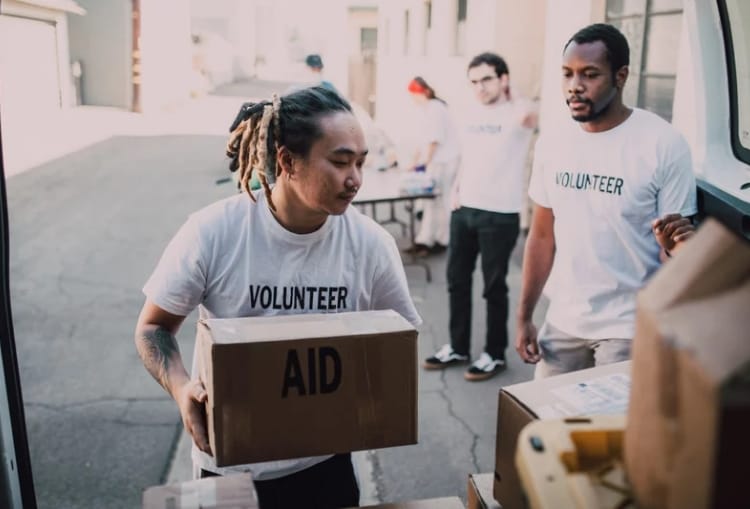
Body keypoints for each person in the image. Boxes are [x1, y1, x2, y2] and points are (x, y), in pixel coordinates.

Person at [134, 86, 421, 509]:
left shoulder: (371, 245)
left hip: (325, 463)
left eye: (360, 162)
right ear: (287, 160)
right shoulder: (214, 232)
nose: (355, 179)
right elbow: (153, 327)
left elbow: (400, 338)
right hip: (227, 465)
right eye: (340, 162)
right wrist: (182, 390)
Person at [515, 23, 697, 378]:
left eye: (590, 74)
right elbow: (541, 237)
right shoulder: (553, 142)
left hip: (629, 329)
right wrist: (524, 316)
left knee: (611, 433)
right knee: (550, 427)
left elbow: (674, 251)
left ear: (621, 76)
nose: (574, 86)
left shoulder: (663, 145)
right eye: (567, 74)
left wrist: (674, 248)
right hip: (563, 322)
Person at [423, 53, 537, 381]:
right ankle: (458, 347)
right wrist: (456, 191)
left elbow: (531, 114)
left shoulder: (517, 113)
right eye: (473, 82)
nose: (479, 87)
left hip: (500, 214)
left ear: (503, 79)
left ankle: (494, 354)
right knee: (457, 281)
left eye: (486, 79)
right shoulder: (467, 113)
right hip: (465, 209)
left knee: (493, 287)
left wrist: (511, 91)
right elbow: (467, 157)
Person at [405, 76, 461, 257]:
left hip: (444, 161)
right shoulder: (428, 109)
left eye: (414, 95)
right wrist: (416, 160)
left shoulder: (436, 108)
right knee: (432, 203)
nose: (412, 99)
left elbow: (434, 140)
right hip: (438, 161)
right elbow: (423, 140)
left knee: (440, 202)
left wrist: (424, 162)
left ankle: (441, 240)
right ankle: (427, 239)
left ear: (422, 93)